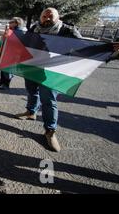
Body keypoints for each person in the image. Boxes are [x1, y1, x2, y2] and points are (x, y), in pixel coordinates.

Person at [15, 8, 81, 152]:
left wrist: (109, 48)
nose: (47, 18)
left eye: (51, 15)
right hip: (33, 67)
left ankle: (50, 132)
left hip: (53, 72)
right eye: (44, 15)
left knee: (49, 100)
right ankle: (31, 112)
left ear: (58, 17)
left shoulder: (67, 30)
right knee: (31, 91)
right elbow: (26, 43)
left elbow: (83, 46)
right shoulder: (35, 28)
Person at [0, 17, 27, 90]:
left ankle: (6, 85)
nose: (9, 22)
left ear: (17, 23)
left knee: (8, 70)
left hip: (11, 54)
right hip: (5, 52)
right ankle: (1, 82)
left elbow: (17, 43)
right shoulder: (10, 30)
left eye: (12, 21)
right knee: (2, 67)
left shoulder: (19, 32)